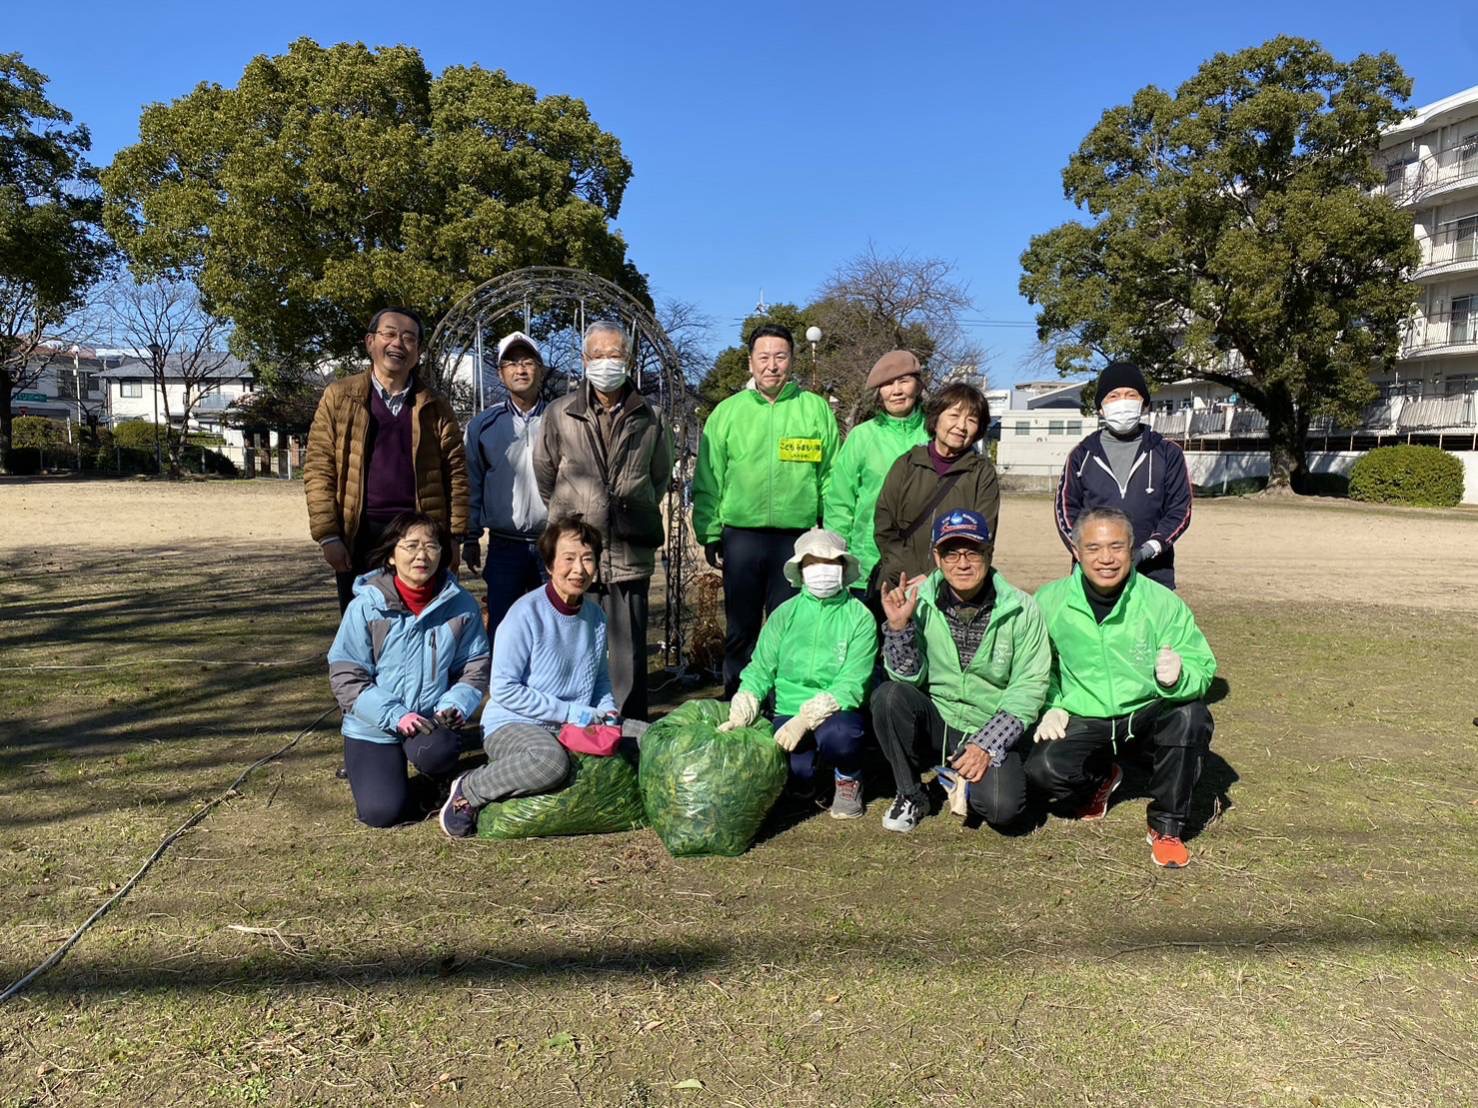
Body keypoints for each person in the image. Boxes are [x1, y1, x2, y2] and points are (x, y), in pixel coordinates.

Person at [1026, 507, 1216, 868]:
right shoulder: (1048, 601)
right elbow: (1035, 664)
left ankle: (1166, 825)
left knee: (1191, 715)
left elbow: (1201, 665)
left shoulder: (1160, 602)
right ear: (1076, 551)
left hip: (1146, 710)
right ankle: (1101, 779)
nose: (1107, 559)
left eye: (1117, 547)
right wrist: (1052, 702)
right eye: (1094, 548)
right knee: (1043, 770)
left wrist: (1181, 677)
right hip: (1083, 713)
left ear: (1131, 550)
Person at [870, 509, 1050, 834]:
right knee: (888, 695)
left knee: (1002, 809)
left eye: (972, 551)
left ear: (988, 552)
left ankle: (961, 777)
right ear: (937, 557)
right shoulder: (919, 601)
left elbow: (1029, 688)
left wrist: (985, 745)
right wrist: (899, 628)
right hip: (940, 720)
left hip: (990, 725)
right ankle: (911, 793)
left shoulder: (1022, 608)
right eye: (951, 552)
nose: (962, 563)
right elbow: (907, 679)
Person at [439, 516, 618, 838]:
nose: (579, 569)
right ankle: (470, 789)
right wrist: (570, 712)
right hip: (513, 723)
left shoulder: (595, 616)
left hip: (575, 724)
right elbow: (504, 690)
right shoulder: (525, 613)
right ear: (549, 565)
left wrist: (610, 712)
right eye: (569, 559)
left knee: (645, 739)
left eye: (587, 559)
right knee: (550, 764)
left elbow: (602, 680)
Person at [532, 321, 674, 721]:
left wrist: (630, 504)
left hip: (628, 552)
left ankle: (627, 737)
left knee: (626, 656)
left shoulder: (651, 417)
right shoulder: (561, 414)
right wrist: (572, 513)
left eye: (615, 355)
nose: (606, 363)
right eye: (598, 355)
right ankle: (573, 734)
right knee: (571, 651)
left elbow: (659, 475)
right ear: (584, 360)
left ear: (628, 361)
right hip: (576, 553)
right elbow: (546, 474)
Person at [691, 323, 840, 695]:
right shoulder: (727, 413)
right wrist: (710, 531)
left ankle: (782, 704)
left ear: (792, 360)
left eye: (780, 356)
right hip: (741, 536)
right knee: (740, 629)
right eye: (764, 357)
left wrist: (831, 534)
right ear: (750, 362)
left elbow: (831, 477)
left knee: (789, 626)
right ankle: (737, 700)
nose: (772, 365)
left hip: (796, 537)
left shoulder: (815, 410)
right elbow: (709, 477)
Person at [326, 511, 490, 828]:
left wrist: (455, 705)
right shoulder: (366, 606)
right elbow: (347, 677)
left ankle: (446, 778)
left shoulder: (462, 606)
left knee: (437, 751)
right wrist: (397, 716)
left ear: (443, 554)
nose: (421, 555)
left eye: (431, 546)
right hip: (374, 723)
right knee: (381, 813)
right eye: (410, 545)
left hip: (429, 722)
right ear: (391, 554)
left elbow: (474, 667)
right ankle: (385, 778)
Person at [306, 307, 468, 613]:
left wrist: (454, 538)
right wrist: (328, 535)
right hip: (359, 536)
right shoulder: (340, 397)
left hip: (419, 536)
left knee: (419, 628)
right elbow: (318, 469)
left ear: (418, 351)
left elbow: (456, 474)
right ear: (370, 342)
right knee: (361, 630)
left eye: (409, 338)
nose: (398, 344)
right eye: (389, 334)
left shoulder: (435, 406)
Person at [718, 528, 877, 819]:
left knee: (842, 739)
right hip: (787, 711)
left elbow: (852, 684)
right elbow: (761, 668)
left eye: (830, 562)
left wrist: (807, 719)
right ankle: (812, 775)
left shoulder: (860, 617)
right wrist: (742, 709)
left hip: (837, 712)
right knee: (796, 772)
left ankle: (848, 777)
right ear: (800, 570)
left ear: (843, 568)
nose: (822, 570)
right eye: (812, 562)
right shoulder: (783, 614)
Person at [1054, 361, 1192, 589]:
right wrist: (1085, 550)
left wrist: (1148, 550)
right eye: (1114, 396)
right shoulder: (1082, 454)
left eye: (1131, 395)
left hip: (1153, 573)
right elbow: (1065, 510)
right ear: (1101, 407)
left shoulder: (1168, 452)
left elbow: (1180, 510)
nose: (1123, 402)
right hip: (1094, 572)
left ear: (1144, 404)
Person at [822, 350, 931, 604]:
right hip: (869, 565)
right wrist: (837, 555)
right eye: (887, 384)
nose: (896, 390)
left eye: (904, 381)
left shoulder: (935, 432)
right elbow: (840, 502)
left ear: (918, 385)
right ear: (877, 392)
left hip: (924, 569)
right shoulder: (861, 437)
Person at [462, 331, 549, 641]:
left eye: (527, 361)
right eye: (511, 363)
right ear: (500, 373)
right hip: (503, 545)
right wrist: (470, 537)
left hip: (552, 543)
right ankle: (502, 689)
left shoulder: (562, 418)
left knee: (549, 628)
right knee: (503, 628)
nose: (520, 369)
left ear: (540, 368)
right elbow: (472, 482)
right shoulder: (482, 425)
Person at [874, 381, 999, 588]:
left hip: (954, 586)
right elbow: (885, 527)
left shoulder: (982, 473)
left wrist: (936, 577)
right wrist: (906, 573)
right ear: (936, 417)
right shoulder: (907, 464)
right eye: (954, 415)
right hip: (901, 583)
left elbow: (984, 536)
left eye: (971, 419)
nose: (961, 426)